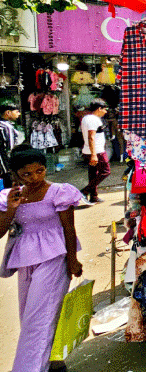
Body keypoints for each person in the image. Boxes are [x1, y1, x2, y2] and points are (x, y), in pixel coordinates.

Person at [0, 145, 84, 372]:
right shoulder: (9, 197)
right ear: (16, 175)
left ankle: (30, 368)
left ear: (45, 169)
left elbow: (69, 228)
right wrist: (10, 209)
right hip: (25, 259)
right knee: (29, 316)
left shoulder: (59, 191)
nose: (34, 177)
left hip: (55, 257)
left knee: (40, 316)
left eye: (39, 171)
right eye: (26, 174)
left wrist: (73, 260)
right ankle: (55, 363)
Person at [80, 99, 110, 203]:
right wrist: (94, 154)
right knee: (105, 171)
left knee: (93, 173)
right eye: (104, 109)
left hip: (89, 150)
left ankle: (94, 196)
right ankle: (84, 191)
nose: (105, 112)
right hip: (97, 151)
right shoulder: (94, 119)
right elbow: (91, 137)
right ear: (99, 109)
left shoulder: (86, 118)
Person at [0, 104, 24, 188]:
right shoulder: (7, 127)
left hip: (3, 164)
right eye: (17, 112)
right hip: (6, 164)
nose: (19, 114)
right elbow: (10, 149)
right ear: (8, 113)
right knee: (12, 186)